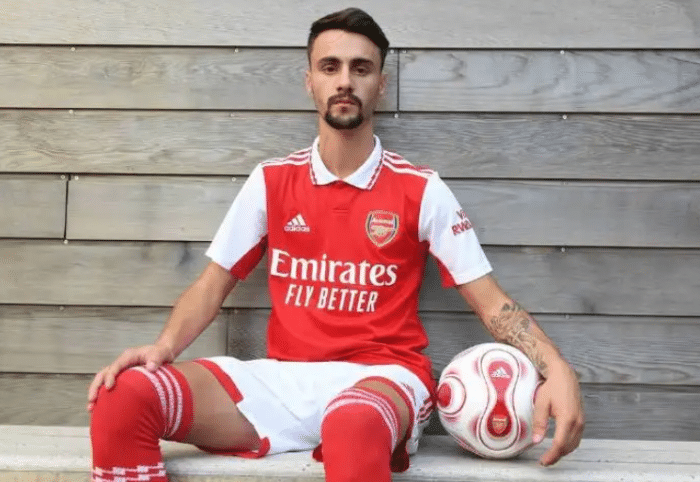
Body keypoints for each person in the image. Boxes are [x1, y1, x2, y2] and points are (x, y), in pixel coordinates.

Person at [87, 7, 584, 482]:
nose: (345, 80)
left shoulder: (420, 189)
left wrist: (556, 369)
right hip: (286, 380)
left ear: (381, 84)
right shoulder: (271, 181)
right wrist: (163, 347)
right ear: (310, 80)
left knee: (352, 421)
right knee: (124, 397)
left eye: (360, 68)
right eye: (330, 67)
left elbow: (493, 304)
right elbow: (212, 284)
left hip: (384, 380)